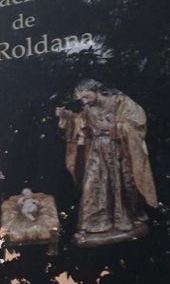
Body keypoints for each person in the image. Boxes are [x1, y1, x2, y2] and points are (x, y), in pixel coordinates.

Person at [57, 80, 158, 247]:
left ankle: (128, 220)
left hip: (120, 151)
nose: (84, 102)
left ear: (95, 90)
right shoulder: (88, 108)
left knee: (123, 185)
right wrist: (67, 117)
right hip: (96, 151)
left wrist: (112, 127)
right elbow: (80, 124)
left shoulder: (120, 101)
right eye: (81, 99)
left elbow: (137, 124)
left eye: (86, 97)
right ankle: (88, 226)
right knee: (91, 186)